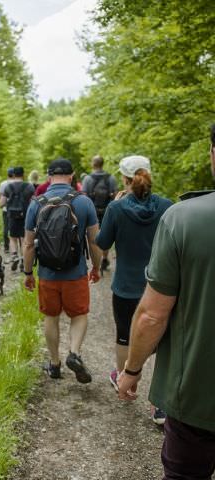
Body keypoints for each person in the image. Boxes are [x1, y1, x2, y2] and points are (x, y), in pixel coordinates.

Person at [118, 125, 215, 478]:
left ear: (212, 154)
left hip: (196, 392)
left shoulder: (185, 217)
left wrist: (131, 370)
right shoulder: (170, 209)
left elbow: (152, 316)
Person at [96, 155, 172, 424]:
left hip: (126, 286)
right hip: (161, 286)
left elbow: (102, 241)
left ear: (125, 179)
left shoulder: (117, 209)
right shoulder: (167, 207)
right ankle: (160, 405)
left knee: (124, 336)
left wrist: (113, 208)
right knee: (165, 343)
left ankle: (124, 381)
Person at [23, 158, 102, 383]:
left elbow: (28, 244)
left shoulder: (36, 202)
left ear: (49, 176)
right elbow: (94, 241)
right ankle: (74, 353)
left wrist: (28, 273)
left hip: (47, 274)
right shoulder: (84, 202)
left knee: (51, 316)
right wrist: (95, 267)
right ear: (71, 175)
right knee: (79, 315)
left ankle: (55, 364)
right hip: (75, 273)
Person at [82, 155, 118, 272]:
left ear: (93, 164)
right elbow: (115, 196)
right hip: (108, 210)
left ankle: (95, 261)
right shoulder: (111, 178)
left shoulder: (87, 179)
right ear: (103, 164)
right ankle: (104, 258)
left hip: (92, 211)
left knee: (93, 236)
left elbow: (84, 196)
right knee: (106, 234)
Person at [0, 166, 35, 272]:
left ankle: (14, 255)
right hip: (26, 216)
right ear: (23, 174)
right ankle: (24, 259)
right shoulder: (29, 186)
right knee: (24, 239)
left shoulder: (8, 187)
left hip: (12, 216)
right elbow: (34, 201)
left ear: (13, 175)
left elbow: (2, 203)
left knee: (13, 238)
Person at [0, 167, 14, 255]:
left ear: (7, 174)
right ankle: (16, 248)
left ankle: (6, 248)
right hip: (17, 210)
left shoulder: (3, 184)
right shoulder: (18, 183)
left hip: (5, 209)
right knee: (15, 228)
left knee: (6, 227)